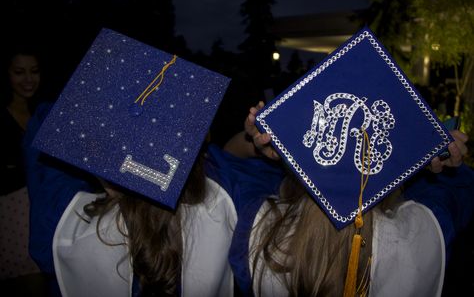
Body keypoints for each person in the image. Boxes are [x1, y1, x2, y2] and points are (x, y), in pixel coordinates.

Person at [23, 28, 237, 297]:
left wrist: (92, 101)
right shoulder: (218, 209)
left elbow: (45, 155)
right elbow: (236, 167)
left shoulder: (68, 226)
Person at [222, 101, 473, 297]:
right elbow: (459, 189)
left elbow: (227, 163)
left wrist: (259, 146)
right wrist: (432, 161)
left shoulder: (260, 231)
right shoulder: (422, 231)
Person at [0, 42, 49, 295]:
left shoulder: (45, 115)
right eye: (19, 72)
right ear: (6, 74)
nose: (28, 79)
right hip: (13, 215)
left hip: (45, 212)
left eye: (34, 71)